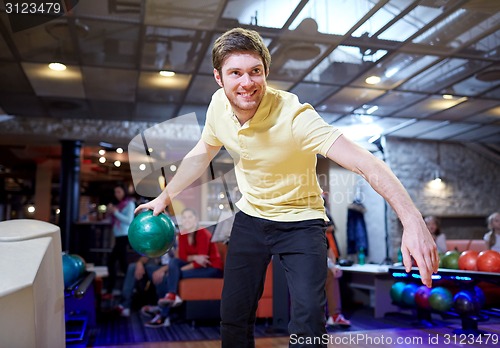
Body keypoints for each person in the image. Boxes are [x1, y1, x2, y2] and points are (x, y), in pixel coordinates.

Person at [135, 28, 438, 346]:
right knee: (234, 317)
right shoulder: (217, 107)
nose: (247, 83)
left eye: (255, 71)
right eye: (235, 73)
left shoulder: (296, 117)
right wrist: (165, 196)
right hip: (251, 218)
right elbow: (202, 152)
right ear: (218, 77)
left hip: (301, 221)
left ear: (265, 72)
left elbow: (366, 163)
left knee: (308, 320)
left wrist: (412, 220)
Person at [145, 208, 223, 328]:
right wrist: (194, 257)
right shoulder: (182, 234)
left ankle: (164, 315)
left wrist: (177, 271)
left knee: (171, 274)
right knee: (174, 262)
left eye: (190, 217)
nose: (187, 220)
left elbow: (201, 263)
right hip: (197, 267)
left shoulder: (203, 233)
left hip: (212, 269)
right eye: (184, 217)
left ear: (196, 220)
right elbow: (181, 257)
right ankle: (171, 296)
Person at [115, 249, 174, 317]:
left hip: (170, 269)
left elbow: (179, 260)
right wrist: (139, 263)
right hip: (154, 267)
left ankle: (162, 309)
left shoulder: (175, 242)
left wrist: (162, 270)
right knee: (133, 267)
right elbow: (145, 256)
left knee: (157, 273)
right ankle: (124, 306)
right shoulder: (158, 242)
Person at [104, 183, 135, 298]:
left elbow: (129, 220)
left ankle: (113, 290)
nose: (116, 194)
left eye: (119, 192)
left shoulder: (129, 204)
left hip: (124, 236)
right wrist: (111, 211)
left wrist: (115, 212)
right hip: (118, 236)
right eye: (115, 192)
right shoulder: (119, 204)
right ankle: (126, 290)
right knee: (122, 265)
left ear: (124, 192)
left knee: (113, 262)